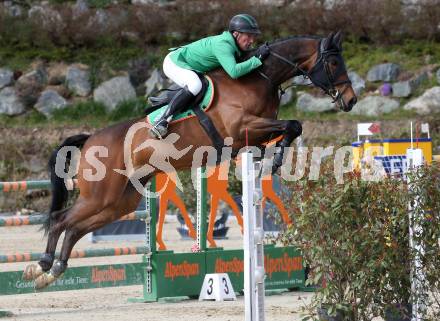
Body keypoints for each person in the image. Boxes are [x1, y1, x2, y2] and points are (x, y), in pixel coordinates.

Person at [149, 13, 270, 138]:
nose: (252, 41)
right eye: (249, 36)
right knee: (195, 84)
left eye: (253, 36)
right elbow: (234, 72)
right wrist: (257, 59)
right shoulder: (223, 45)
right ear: (236, 34)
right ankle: (162, 121)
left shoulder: (232, 45)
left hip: (188, 65)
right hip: (174, 62)